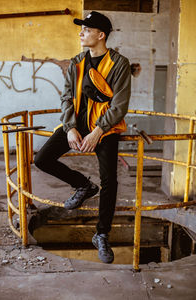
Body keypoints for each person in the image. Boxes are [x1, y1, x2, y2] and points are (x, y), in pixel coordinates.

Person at [34, 11, 131, 264]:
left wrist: (98, 131)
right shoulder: (76, 62)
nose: (81, 33)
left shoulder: (119, 64)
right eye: (82, 29)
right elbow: (66, 97)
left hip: (105, 129)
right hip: (77, 125)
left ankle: (101, 234)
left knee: (110, 180)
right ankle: (83, 185)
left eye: (86, 30)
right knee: (42, 159)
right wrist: (69, 127)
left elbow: (119, 105)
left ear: (101, 35)